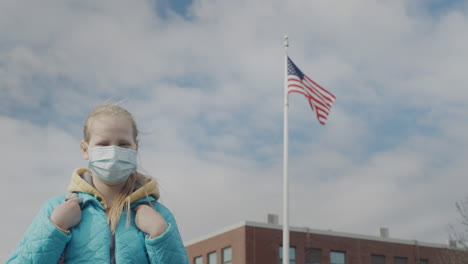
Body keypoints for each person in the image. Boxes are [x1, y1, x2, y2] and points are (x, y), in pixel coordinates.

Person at [7, 104, 189, 264]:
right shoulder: (55, 209)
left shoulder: (159, 215)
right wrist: (55, 229)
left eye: (123, 144)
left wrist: (159, 234)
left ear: (136, 148)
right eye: (103, 144)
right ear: (85, 150)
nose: (114, 150)